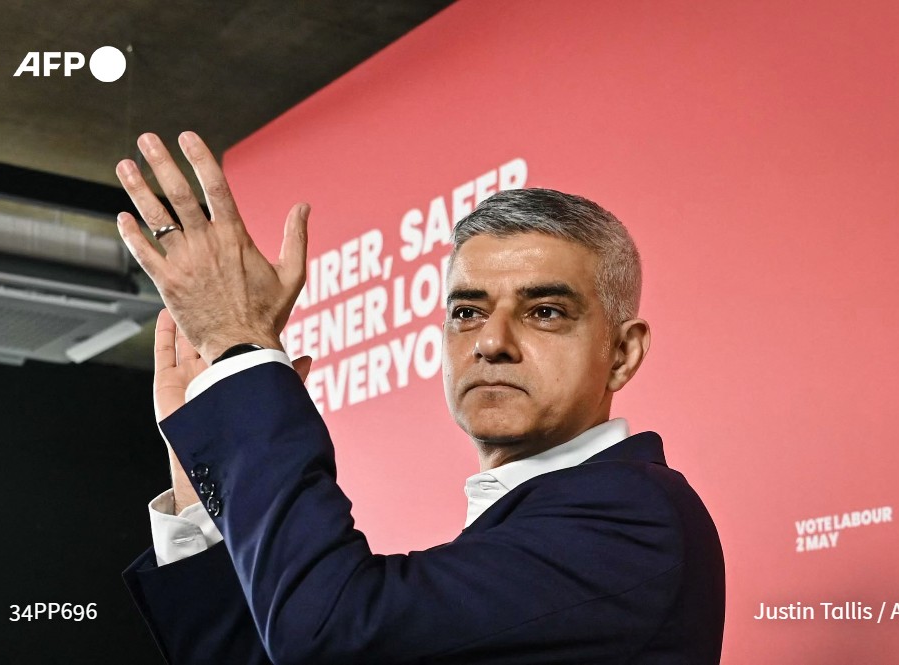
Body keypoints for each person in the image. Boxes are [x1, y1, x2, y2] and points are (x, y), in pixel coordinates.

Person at [117, 131, 725, 664]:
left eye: (544, 311)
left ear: (622, 354)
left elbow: (327, 630)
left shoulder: (631, 515)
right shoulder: (530, 526)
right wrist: (208, 498)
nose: (490, 341)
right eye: (467, 311)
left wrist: (238, 346)